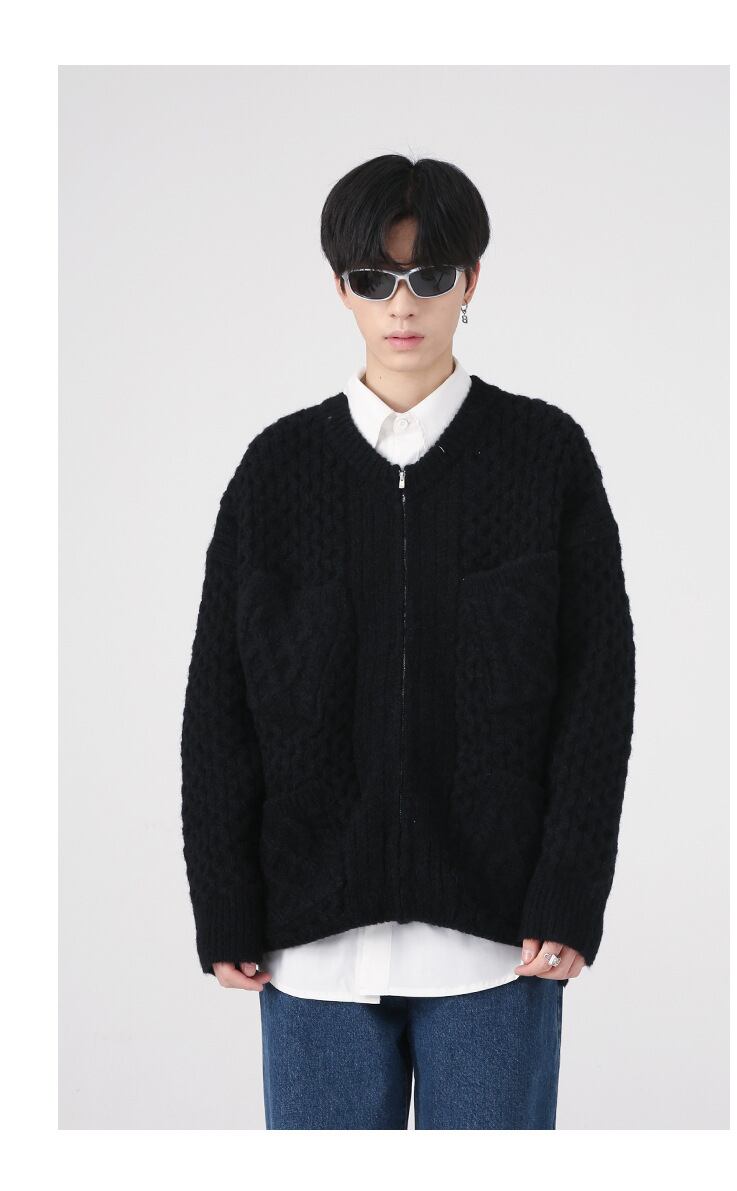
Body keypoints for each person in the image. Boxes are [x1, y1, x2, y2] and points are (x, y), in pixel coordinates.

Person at [180, 154, 636, 1130]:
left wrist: (570, 891)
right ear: (339, 287)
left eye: (429, 275)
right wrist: (224, 902)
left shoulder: (544, 457)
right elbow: (218, 706)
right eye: (374, 277)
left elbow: (596, 693)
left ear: (470, 281)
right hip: (310, 948)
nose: (403, 303)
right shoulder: (275, 472)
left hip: (499, 946)